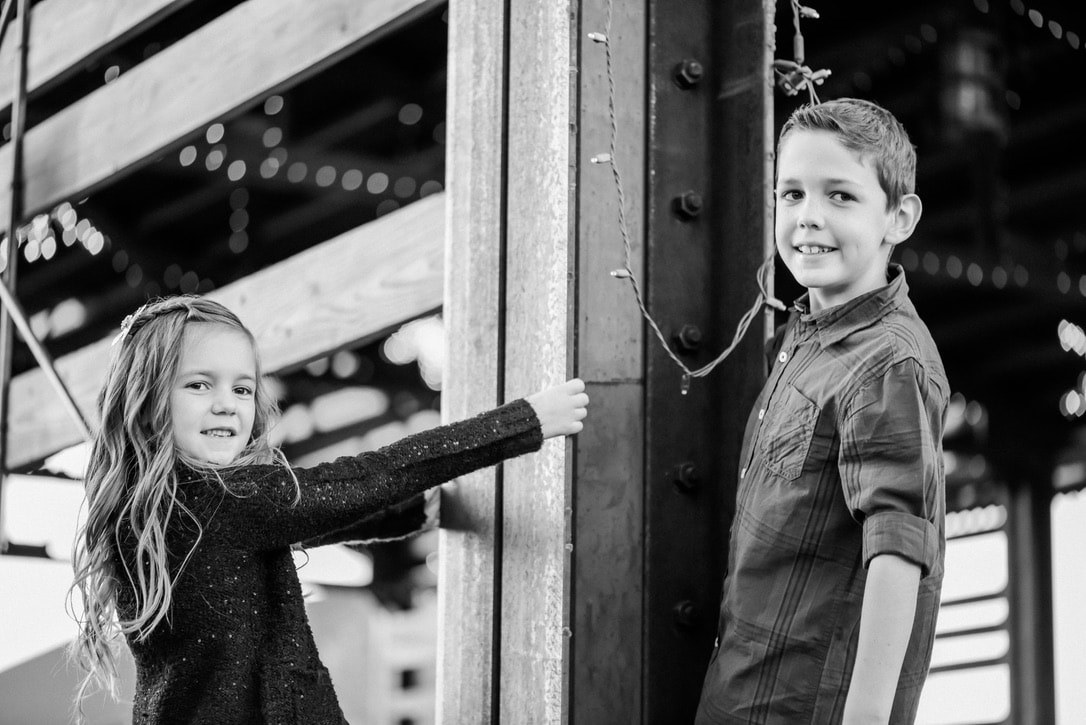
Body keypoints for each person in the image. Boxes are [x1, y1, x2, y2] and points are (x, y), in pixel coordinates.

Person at [69, 295, 589, 724]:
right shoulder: (224, 498)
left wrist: (415, 515)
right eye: (199, 384)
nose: (227, 402)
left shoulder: (151, 511)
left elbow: (312, 517)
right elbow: (363, 479)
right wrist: (522, 422)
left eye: (243, 388)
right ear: (146, 398)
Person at [695, 98, 949, 724]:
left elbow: (898, 552)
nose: (809, 218)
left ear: (900, 217)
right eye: (792, 195)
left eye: (840, 196)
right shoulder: (804, 339)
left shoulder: (888, 360)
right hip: (742, 695)